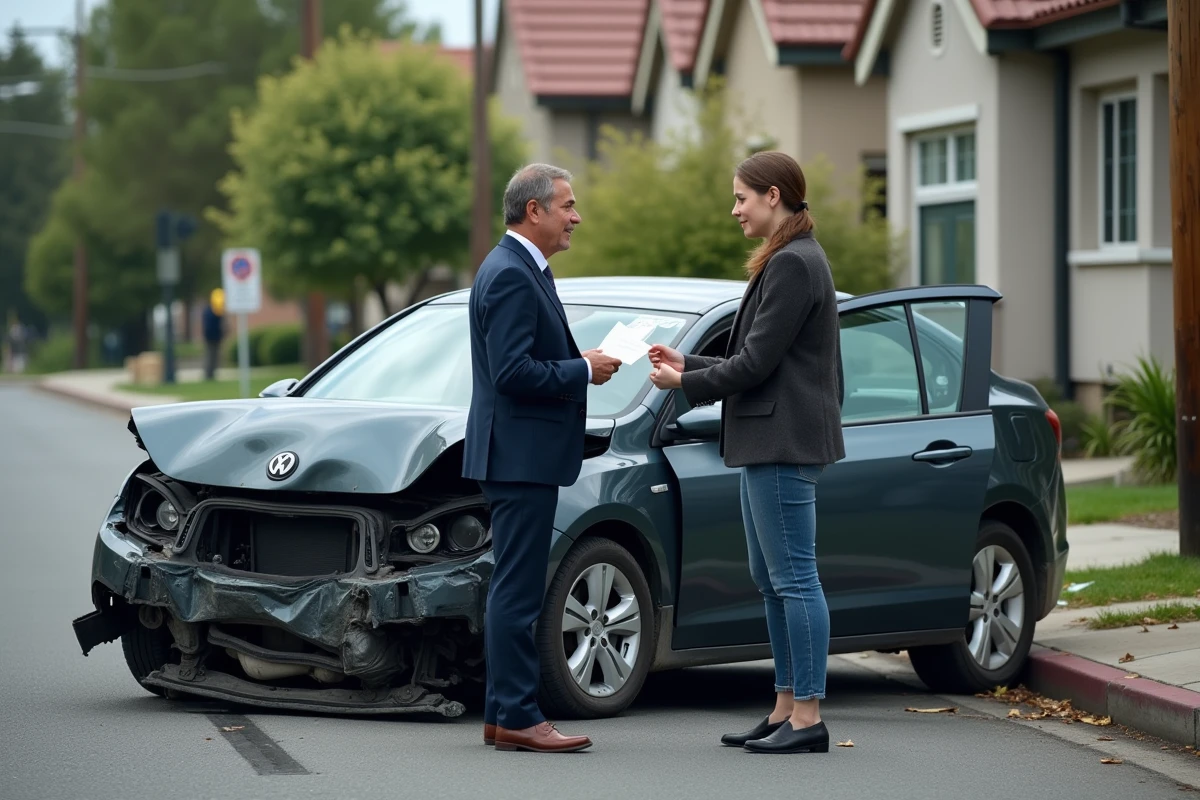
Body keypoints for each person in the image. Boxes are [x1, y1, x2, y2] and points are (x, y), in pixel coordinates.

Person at [648, 151, 845, 755]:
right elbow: (757, 357)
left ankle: (808, 717)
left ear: (774, 196)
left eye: (741, 198)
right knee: (772, 578)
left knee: (794, 579)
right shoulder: (787, 258)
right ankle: (786, 705)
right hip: (768, 440)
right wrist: (691, 362)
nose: (734, 209)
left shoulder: (793, 264)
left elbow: (756, 366)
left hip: (782, 443)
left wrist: (685, 386)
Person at [462, 163, 621, 753]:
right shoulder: (509, 273)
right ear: (534, 211)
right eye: (568, 206)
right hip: (520, 456)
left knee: (514, 585)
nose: (576, 216)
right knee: (518, 590)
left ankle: (503, 714)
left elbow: (525, 358)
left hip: (520, 454)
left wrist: (581, 358)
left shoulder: (518, 268)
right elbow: (511, 372)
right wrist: (583, 370)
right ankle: (521, 718)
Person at [202, 289, 225, 381]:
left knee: (214, 356)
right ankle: (208, 374)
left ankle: (212, 373)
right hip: (210, 337)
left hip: (216, 336)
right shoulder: (210, 311)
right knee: (210, 356)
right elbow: (209, 325)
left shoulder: (216, 311)